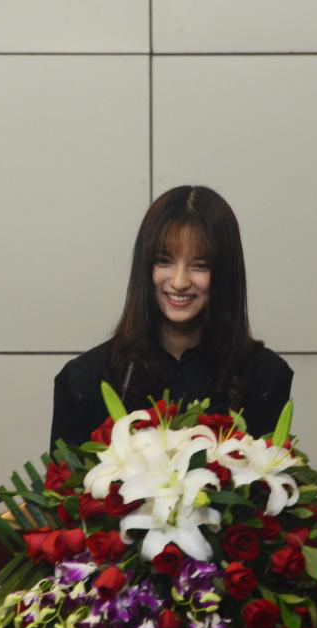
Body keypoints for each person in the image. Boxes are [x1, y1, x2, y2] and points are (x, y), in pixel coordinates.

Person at [49, 185, 293, 448]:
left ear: (225, 273)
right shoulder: (83, 381)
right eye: (164, 261)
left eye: (200, 265)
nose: (179, 282)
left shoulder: (265, 377)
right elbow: (64, 473)